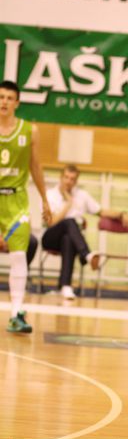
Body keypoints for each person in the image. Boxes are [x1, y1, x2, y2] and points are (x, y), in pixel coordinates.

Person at [0, 80, 52, 333]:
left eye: (10, 98)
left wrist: (45, 199)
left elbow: (36, 167)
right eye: (1, 97)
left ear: (17, 103)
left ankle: (15, 313)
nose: (4, 102)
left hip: (17, 201)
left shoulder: (30, 130)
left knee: (19, 255)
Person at [42, 164, 128, 300]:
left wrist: (121, 213)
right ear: (61, 177)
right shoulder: (50, 195)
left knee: (68, 239)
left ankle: (65, 286)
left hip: (71, 240)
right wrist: (68, 203)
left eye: (72, 179)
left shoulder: (82, 195)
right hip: (50, 237)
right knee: (69, 222)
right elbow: (51, 222)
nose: (68, 181)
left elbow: (101, 211)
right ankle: (87, 255)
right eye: (66, 177)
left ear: (76, 181)